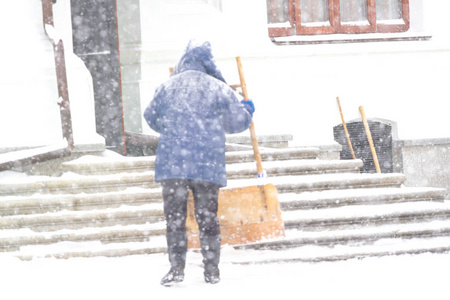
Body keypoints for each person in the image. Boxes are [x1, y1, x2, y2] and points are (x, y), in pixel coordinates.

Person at [143, 40, 255, 285]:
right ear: (208, 63)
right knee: (207, 219)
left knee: (174, 219)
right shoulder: (219, 88)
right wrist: (247, 110)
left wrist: (172, 124)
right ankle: (212, 270)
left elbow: (150, 117)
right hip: (207, 165)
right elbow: (235, 123)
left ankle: (176, 270)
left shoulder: (167, 86)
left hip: (173, 165)